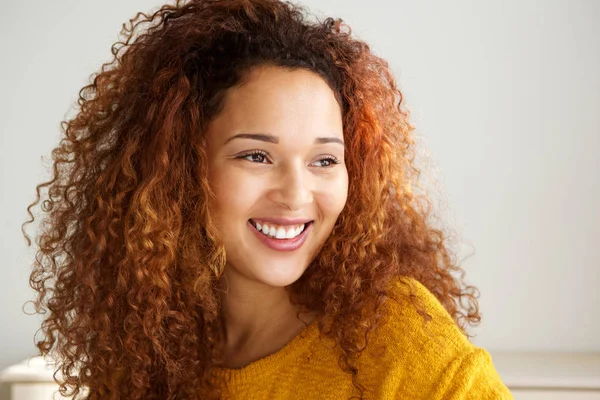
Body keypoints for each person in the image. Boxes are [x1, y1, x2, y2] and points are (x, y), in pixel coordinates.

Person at [21, 0, 513, 398]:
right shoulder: (147, 352)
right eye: (257, 156)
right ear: (180, 170)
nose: (297, 194)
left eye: (324, 160)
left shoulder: (395, 338)